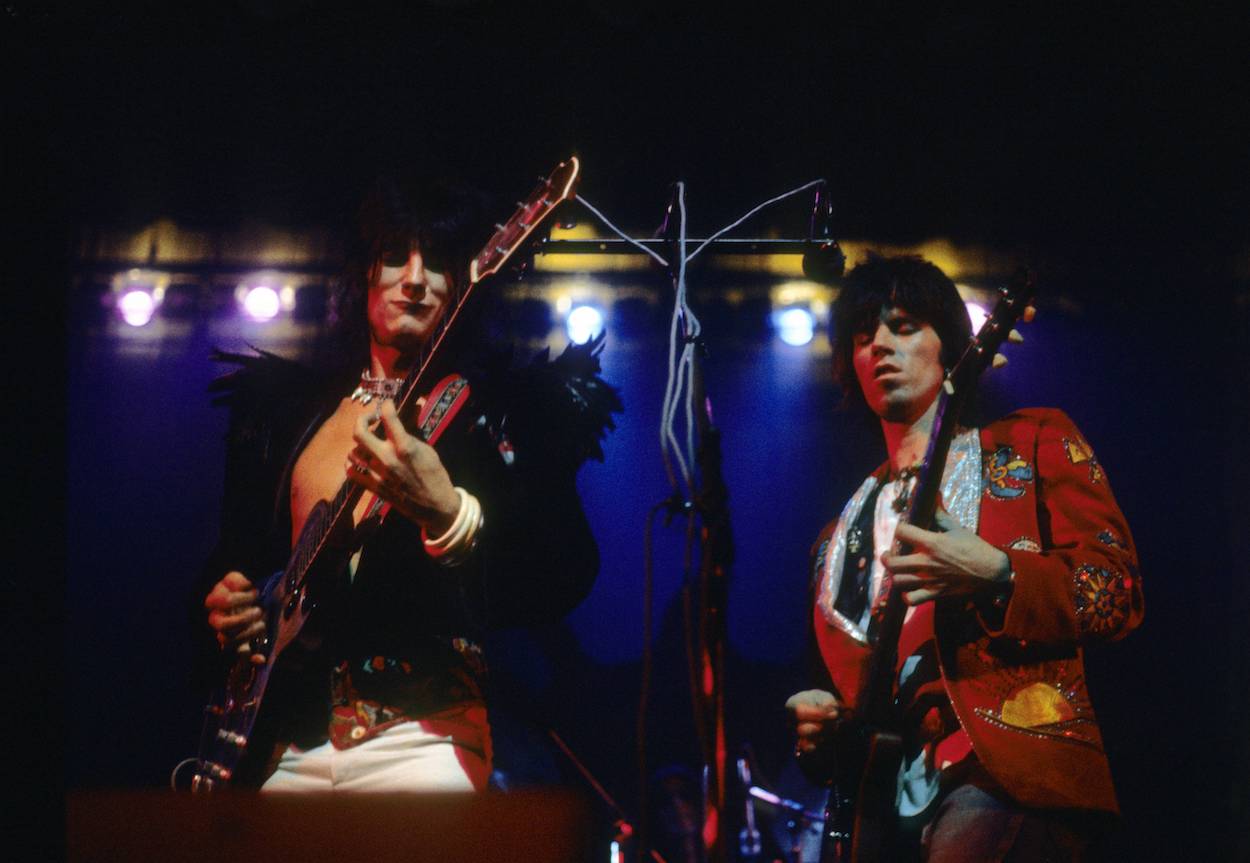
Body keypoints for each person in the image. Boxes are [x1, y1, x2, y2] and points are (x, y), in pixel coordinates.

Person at [193, 175, 620, 792]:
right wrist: (227, 603)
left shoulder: (501, 412)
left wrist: (449, 515)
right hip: (286, 741)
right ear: (363, 273)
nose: (415, 278)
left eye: (438, 262)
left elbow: (566, 569)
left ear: (468, 278)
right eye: (396, 255)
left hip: (423, 739)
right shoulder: (286, 418)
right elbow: (232, 562)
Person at [785, 254, 1143, 860]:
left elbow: (1118, 593)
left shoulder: (1032, 445)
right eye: (863, 334)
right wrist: (827, 730)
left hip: (1004, 775)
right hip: (883, 805)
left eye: (903, 326)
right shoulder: (837, 535)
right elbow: (868, 704)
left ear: (950, 345)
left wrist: (1000, 575)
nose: (879, 346)